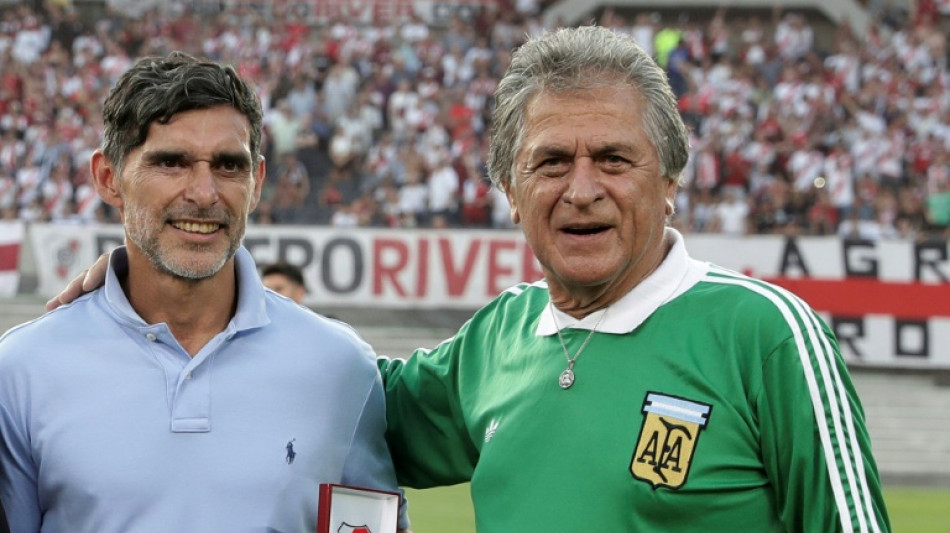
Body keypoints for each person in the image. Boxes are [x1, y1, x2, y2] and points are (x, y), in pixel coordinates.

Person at [46, 27, 890, 532]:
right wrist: (143, 284)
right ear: (510, 190)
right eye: (550, 161)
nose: (582, 186)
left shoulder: (766, 334)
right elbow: (308, 390)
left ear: (670, 178)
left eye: (615, 159)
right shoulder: (498, 340)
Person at [0, 52, 409, 533]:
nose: (204, 191)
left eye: (228, 165)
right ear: (109, 178)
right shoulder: (22, 371)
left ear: (256, 183)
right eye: (170, 163)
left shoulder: (341, 368)